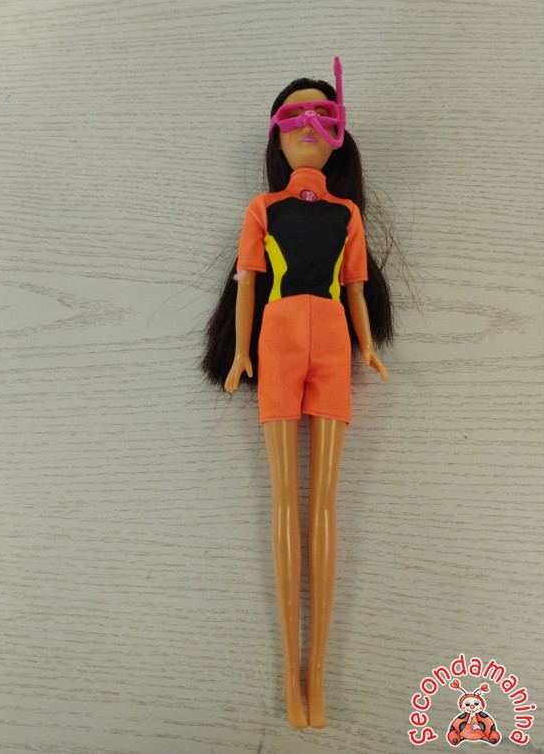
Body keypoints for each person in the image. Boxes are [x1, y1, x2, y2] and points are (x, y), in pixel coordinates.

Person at [202, 58, 394, 729]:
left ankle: (318, 673)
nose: (308, 126)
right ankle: (291, 670)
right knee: (288, 498)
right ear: (275, 136)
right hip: (279, 339)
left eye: (324, 115)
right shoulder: (264, 209)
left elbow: (355, 287)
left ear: (339, 134)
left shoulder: (346, 214)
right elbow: (248, 283)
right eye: (293, 117)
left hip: (334, 342)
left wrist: (366, 345)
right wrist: (241, 352)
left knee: (325, 501)